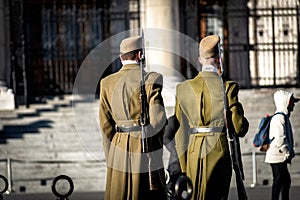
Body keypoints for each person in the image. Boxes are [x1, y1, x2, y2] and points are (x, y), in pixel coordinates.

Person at [169, 35, 249, 199]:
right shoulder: (228, 87)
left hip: (193, 151)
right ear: (219, 58)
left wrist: (183, 167)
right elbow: (240, 128)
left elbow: (181, 133)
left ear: (200, 60)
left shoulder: (183, 88)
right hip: (218, 148)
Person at [99, 35, 167, 200]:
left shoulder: (106, 82)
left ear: (121, 57)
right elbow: (158, 120)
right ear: (139, 55)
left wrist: (112, 155)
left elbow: (106, 126)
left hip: (118, 148)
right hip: (143, 147)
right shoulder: (152, 79)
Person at [265, 90, 298, 200]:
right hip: (277, 156)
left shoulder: (283, 117)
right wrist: (288, 152)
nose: (293, 105)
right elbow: (280, 139)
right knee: (280, 180)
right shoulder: (279, 118)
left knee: (284, 181)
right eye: (292, 102)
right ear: (286, 102)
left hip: (279, 156)